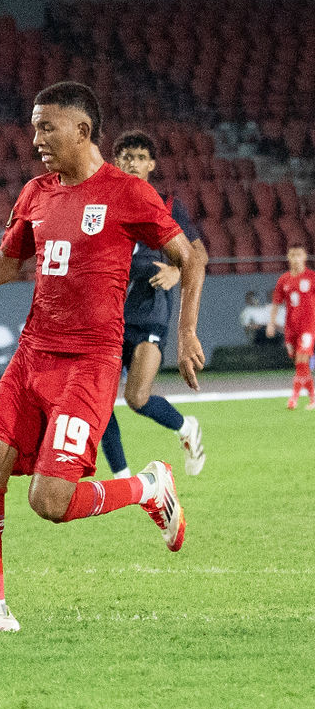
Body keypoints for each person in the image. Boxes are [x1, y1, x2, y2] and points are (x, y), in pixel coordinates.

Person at [0, 81, 205, 635]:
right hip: (33, 353)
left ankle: (147, 487)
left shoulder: (127, 192)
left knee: (50, 500)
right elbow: (8, 263)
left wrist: (185, 332)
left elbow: (192, 254)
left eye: (47, 127)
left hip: (89, 363)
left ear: (83, 131)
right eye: (34, 126)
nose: (35, 138)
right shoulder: (37, 193)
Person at [98, 130, 208, 479]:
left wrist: (177, 268)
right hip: (107, 316)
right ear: (116, 161)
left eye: (140, 157)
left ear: (152, 164)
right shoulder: (101, 204)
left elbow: (199, 254)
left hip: (149, 314)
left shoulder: (168, 205)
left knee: (137, 397)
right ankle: (122, 478)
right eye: (126, 156)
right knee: (97, 401)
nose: (132, 162)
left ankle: (186, 427)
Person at [265, 245, 315, 409]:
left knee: (302, 359)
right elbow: (276, 303)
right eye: (292, 255)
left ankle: (293, 398)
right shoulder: (284, 280)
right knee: (301, 364)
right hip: (291, 328)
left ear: (305, 256)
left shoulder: (312, 277)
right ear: (288, 257)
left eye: (298, 255)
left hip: (308, 326)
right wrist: (271, 324)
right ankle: (313, 398)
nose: (295, 258)